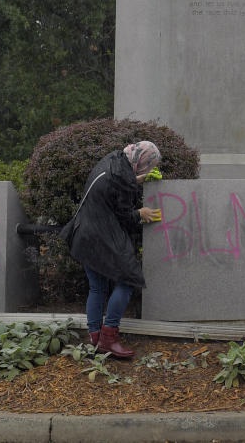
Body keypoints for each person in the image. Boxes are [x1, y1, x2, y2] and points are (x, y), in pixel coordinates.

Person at [64, 141, 163, 359]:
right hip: (101, 236)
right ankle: (108, 338)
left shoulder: (115, 159)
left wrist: (138, 179)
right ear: (141, 161)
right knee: (129, 280)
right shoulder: (122, 178)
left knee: (97, 286)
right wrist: (141, 213)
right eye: (147, 166)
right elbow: (124, 216)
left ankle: (95, 337)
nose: (146, 170)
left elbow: (111, 187)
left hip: (83, 232)